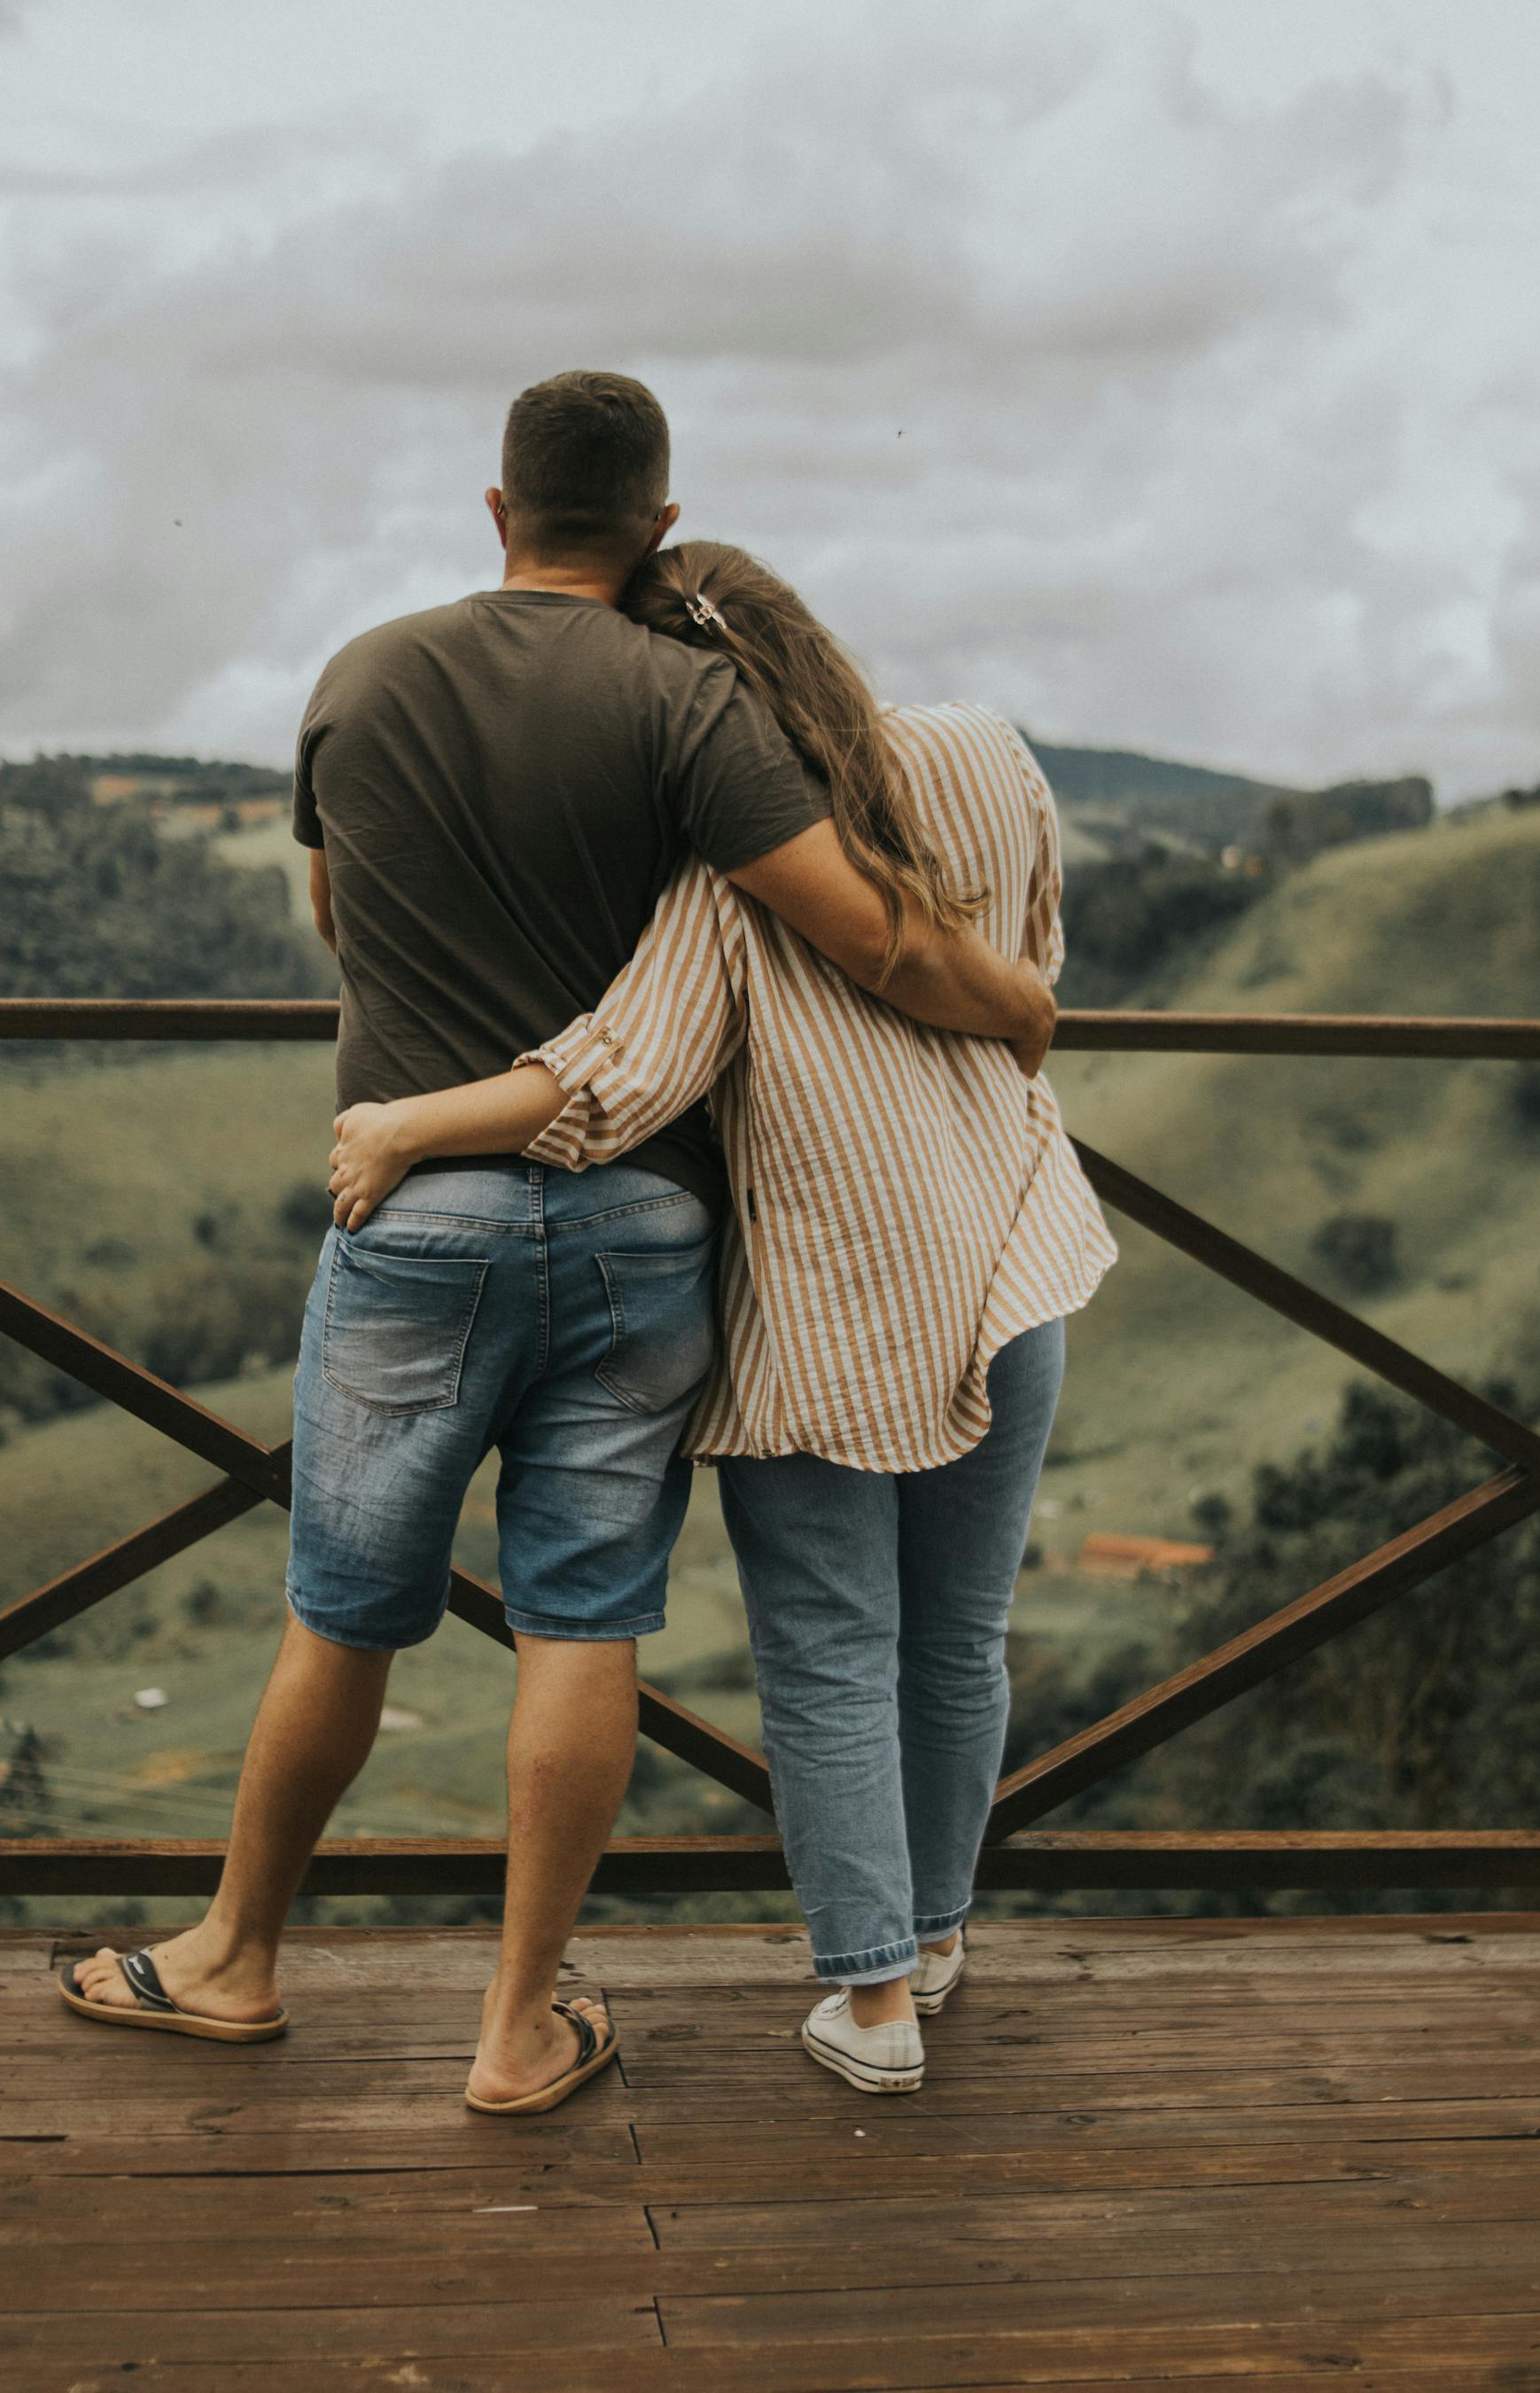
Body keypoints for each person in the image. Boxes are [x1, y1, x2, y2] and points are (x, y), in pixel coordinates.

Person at [58, 378, 1057, 2114]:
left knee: (339, 1613)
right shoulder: (692, 700)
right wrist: (1018, 1005)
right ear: (659, 523)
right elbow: (861, 933)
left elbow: (336, 915)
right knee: (583, 1626)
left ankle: (232, 1961)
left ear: (498, 505)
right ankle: (519, 2029)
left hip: (417, 1211)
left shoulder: (362, 674)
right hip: (642, 1228)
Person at [326, 540, 1118, 2096]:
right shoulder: (986, 753)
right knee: (960, 1638)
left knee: (832, 1647)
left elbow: (609, 1073)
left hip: (833, 1300)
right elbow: (1034, 960)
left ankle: (876, 2003)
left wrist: (410, 1126)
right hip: (1015, 1251)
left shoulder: (729, 878)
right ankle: (941, 1939)